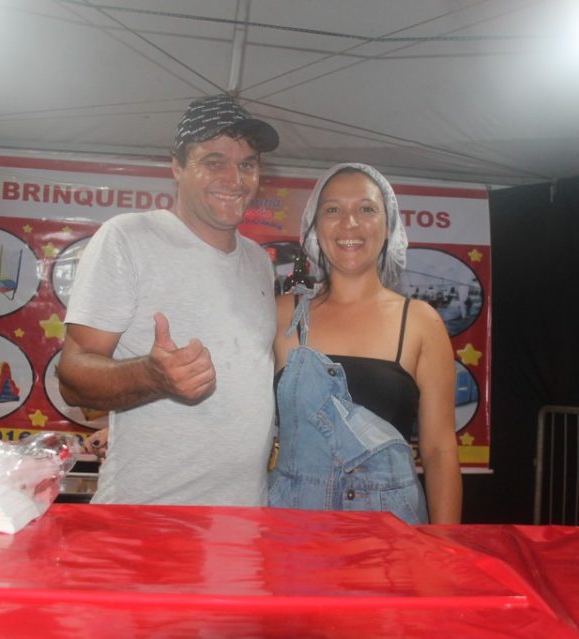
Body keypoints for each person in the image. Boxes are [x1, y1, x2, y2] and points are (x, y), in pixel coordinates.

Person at [57, 94, 280, 506]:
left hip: (244, 517)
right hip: (147, 515)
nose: (235, 179)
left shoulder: (257, 262)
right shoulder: (128, 237)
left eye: (248, 164)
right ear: (176, 165)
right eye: (214, 162)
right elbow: (71, 377)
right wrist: (151, 376)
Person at [268, 163, 462, 524]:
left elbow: (439, 451)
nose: (350, 223)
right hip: (295, 529)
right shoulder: (282, 316)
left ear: (389, 226)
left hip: (391, 530)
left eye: (367, 209)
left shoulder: (420, 322)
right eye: (333, 209)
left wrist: (445, 544)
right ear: (314, 227)